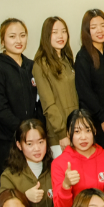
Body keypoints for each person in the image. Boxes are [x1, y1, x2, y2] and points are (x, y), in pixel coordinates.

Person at [0, 18, 45, 183]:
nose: (18, 40)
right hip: (9, 140)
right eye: (12, 36)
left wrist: (36, 130)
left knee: (35, 183)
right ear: (3, 41)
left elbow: (40, 101)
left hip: (33, 139)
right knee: (11, 185)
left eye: (22, 35)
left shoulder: (32, 66)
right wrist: (22, 131)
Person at [51, 110, 104, 207]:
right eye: (77, 131)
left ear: (94, 131)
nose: (83, 137)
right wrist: (66, 186)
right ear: (68, 134)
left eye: (88, 130)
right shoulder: (59, 163)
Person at [1, 119, 65, 207]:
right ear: (19, 145)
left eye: (41, 142)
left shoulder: (56, 168)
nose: (37, 148)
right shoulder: (9, 175)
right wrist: (24, 197)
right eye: (30, 144)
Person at [32, 16, 78, 157]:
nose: (60, 36)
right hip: (59, 135)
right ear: (46, 36)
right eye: (55, 32)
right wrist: (62, 133)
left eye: (63, 31)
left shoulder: (67, 59)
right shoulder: (41, 64)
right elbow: (48, 104)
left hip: (75, 129)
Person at [75, 9, 104, 153]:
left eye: (103, 25)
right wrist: (102, 118)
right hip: (95, 121)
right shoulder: (83, 56)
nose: (99, 30)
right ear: (87, 31)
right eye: (93, 27)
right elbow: (85, 92)